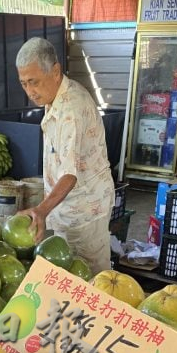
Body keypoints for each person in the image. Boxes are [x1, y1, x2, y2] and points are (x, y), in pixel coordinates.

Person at [15, 37, 115, 275]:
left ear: (56, 70)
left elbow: (69, 174)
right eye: (23, 84)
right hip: (66, 210)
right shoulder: (55, 98)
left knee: (92, 281)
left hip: (84, 213)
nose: (30, 92)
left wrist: (41, 210)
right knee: (69, 277)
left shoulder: (71, 108)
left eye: (34, 82)